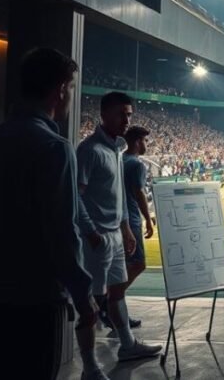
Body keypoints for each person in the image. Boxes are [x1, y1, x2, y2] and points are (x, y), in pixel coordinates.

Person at [0, 48, 95, 379]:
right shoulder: (54, 147)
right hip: (33, 303)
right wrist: (83, 295)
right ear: (61, 89)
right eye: (72, 88)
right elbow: (63, 233)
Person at [77, 92, 161, 375]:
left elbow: (117, 196)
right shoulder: (89, 150)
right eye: (121, 114)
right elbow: (76, 196)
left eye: (129, 114)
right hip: (98, 238)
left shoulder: (117, 149)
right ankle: (89, 365)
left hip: (115, 233)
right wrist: (91, 233)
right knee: (92, 302)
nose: (127, 120)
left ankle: (127, 344)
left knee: (116, 294)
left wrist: (126, 228)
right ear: (104, 115)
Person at [118, 125, 155, 332]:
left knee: (121, 266)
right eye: (145, 141)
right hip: (131, 220)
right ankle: (110, 301)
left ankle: (114, 307)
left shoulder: (119, 159)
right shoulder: (136, 164)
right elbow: (139, 193)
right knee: (138, 263)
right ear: (137, 142)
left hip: (117, 220)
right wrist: (148, 219)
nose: (146, 145)